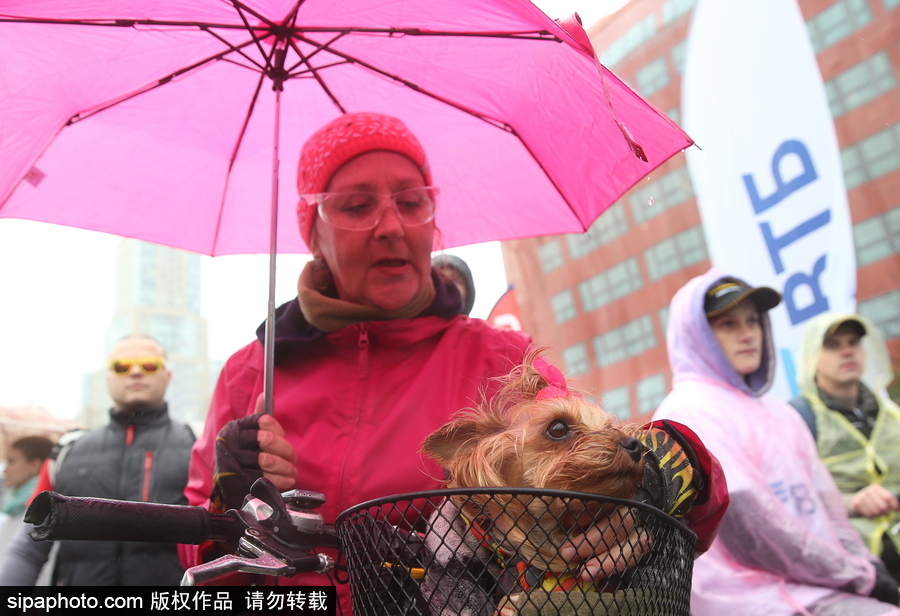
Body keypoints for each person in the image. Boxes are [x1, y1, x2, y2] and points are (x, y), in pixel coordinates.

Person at [181, 112, 533, 611]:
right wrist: (231, 507)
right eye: (356, 206)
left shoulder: (503, 362)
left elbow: (589, 497)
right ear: (313, 234)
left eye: (412, 202)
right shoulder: (251, 373)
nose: (391, 226)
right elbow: (198, 568)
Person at [652, 268, 900, 616]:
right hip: (752, 599)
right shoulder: (687, 412)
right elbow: (753, 529)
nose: (747, 334)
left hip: (822, 587)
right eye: (728, 324)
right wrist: (860, 577)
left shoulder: (780, 413)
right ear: (696, 334)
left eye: (752, 321)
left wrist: (868, 566)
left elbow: (827, 506)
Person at [0, 335, 195, 586]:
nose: (135, 372)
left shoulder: (197, 446)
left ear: (168, 376)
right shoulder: (67, 452)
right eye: (121, 366)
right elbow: (29, 549)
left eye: (149, 365)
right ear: (108, 377)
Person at [790, 313, 900, 582]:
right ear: (811, 356)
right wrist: (851, 503)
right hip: (859, 571)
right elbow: (789, 498)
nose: (848, 351)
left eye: (853, 342)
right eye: (833, 345)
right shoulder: (796, 419)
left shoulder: (890, 413)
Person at [0, 436, 55, 557]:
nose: (5, 470)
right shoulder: (15, 506)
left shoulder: (43, 512)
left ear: (34, 465)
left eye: (11, 461)